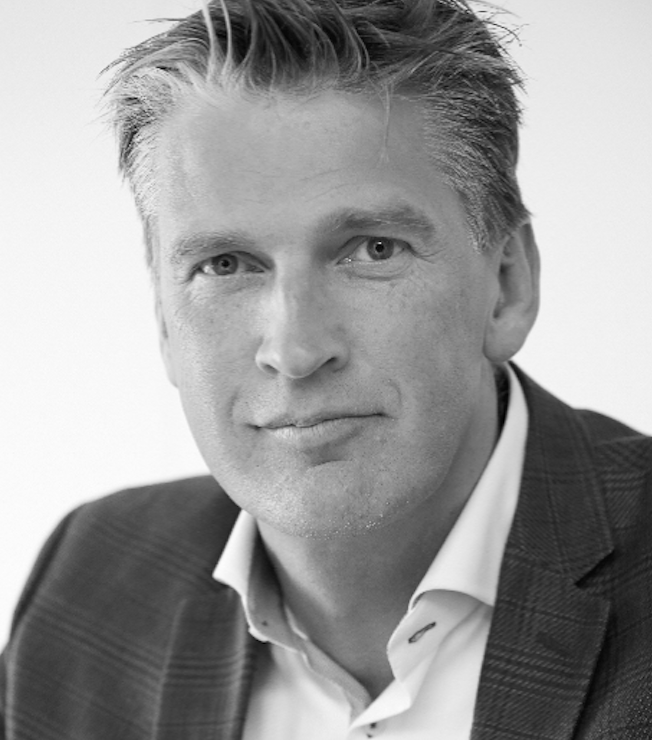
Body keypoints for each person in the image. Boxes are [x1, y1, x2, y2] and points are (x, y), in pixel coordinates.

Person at [1, 0, 650, 737]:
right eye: (225, 264)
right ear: (163, 318)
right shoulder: (92, 582)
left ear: (507, 286)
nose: (296, 351)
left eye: (373, 250)